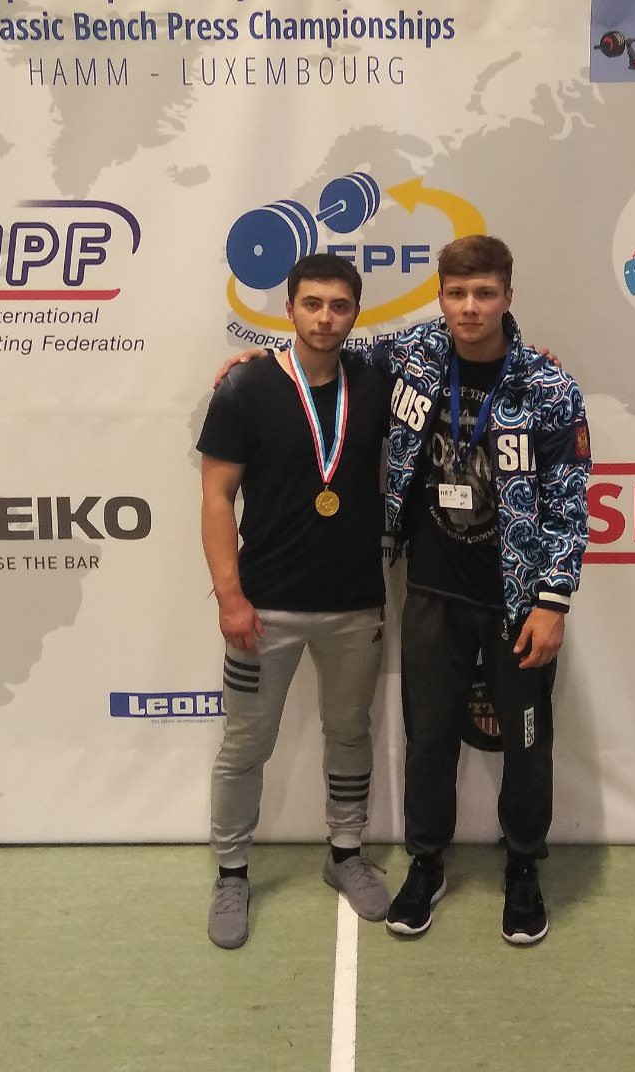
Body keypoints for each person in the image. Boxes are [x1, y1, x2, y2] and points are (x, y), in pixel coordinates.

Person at [375, 235, 590, 946]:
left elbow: (568, 504)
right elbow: (331, 357)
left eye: (485, 293)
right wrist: (261, 362)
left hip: (516, 603)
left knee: (527, 744)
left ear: (507, 297)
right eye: (458, 293)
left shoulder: (548, 388)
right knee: (428, 737)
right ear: (440, 297)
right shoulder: (412, 355)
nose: (470, 307)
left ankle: (524, 865)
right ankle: (426, 862)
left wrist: (553, 601)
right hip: (432, 591)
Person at [198, 253, 391, 949]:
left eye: (339, 306)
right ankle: (231, 873)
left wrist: (532, 355)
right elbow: (216, 495)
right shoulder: (246, 387)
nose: (325, 318)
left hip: (354, 605)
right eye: (312, 304)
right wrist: (230, 596)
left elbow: (464, 349)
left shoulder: (378, 381)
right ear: (289, 309)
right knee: (245, 745)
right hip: (264, 609)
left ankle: (346, 854)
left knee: (349, 733)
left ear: (356, 313)